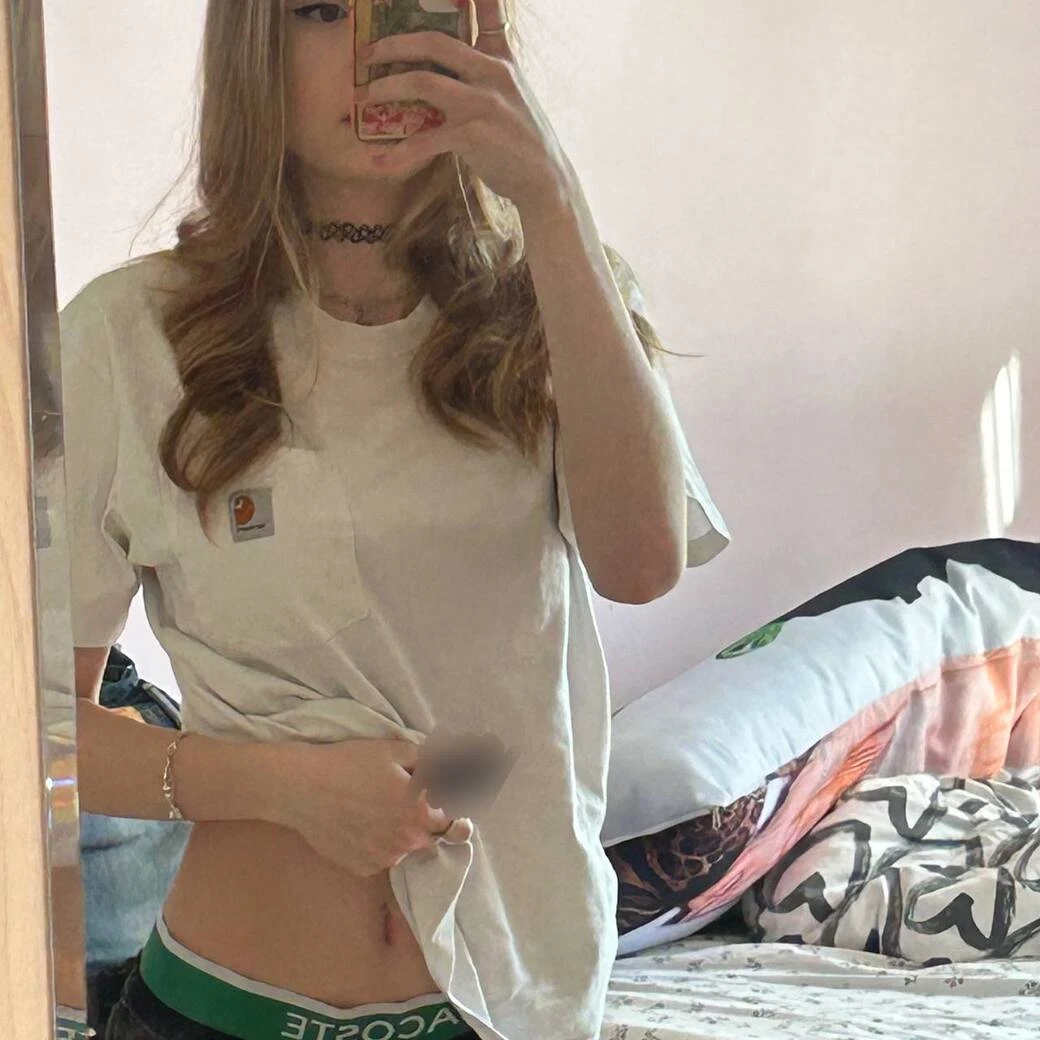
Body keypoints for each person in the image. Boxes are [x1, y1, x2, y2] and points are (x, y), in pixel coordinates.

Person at [61, 2, 729, 1038]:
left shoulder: (562, 289)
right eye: (322, 11)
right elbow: (33, 727)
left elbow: (641, 564)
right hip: (223, 1008)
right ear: (253, 45)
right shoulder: (127, 334)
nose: (374, 55)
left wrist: (548, 196)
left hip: (516, 1007)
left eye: (411, 5)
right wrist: (279, 786)